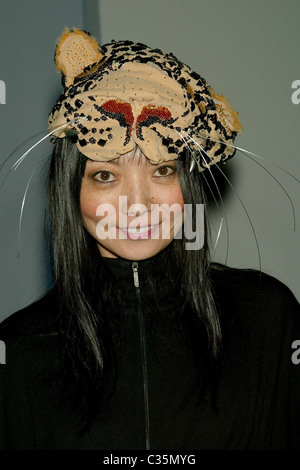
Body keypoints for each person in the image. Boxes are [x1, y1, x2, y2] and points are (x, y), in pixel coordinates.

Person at [0, 27, 299, 451]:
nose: (137, 204)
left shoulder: (267, 317)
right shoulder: (17, 353)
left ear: (189, 184)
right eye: (105, 175)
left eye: (162, 171)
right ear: (72, 192)